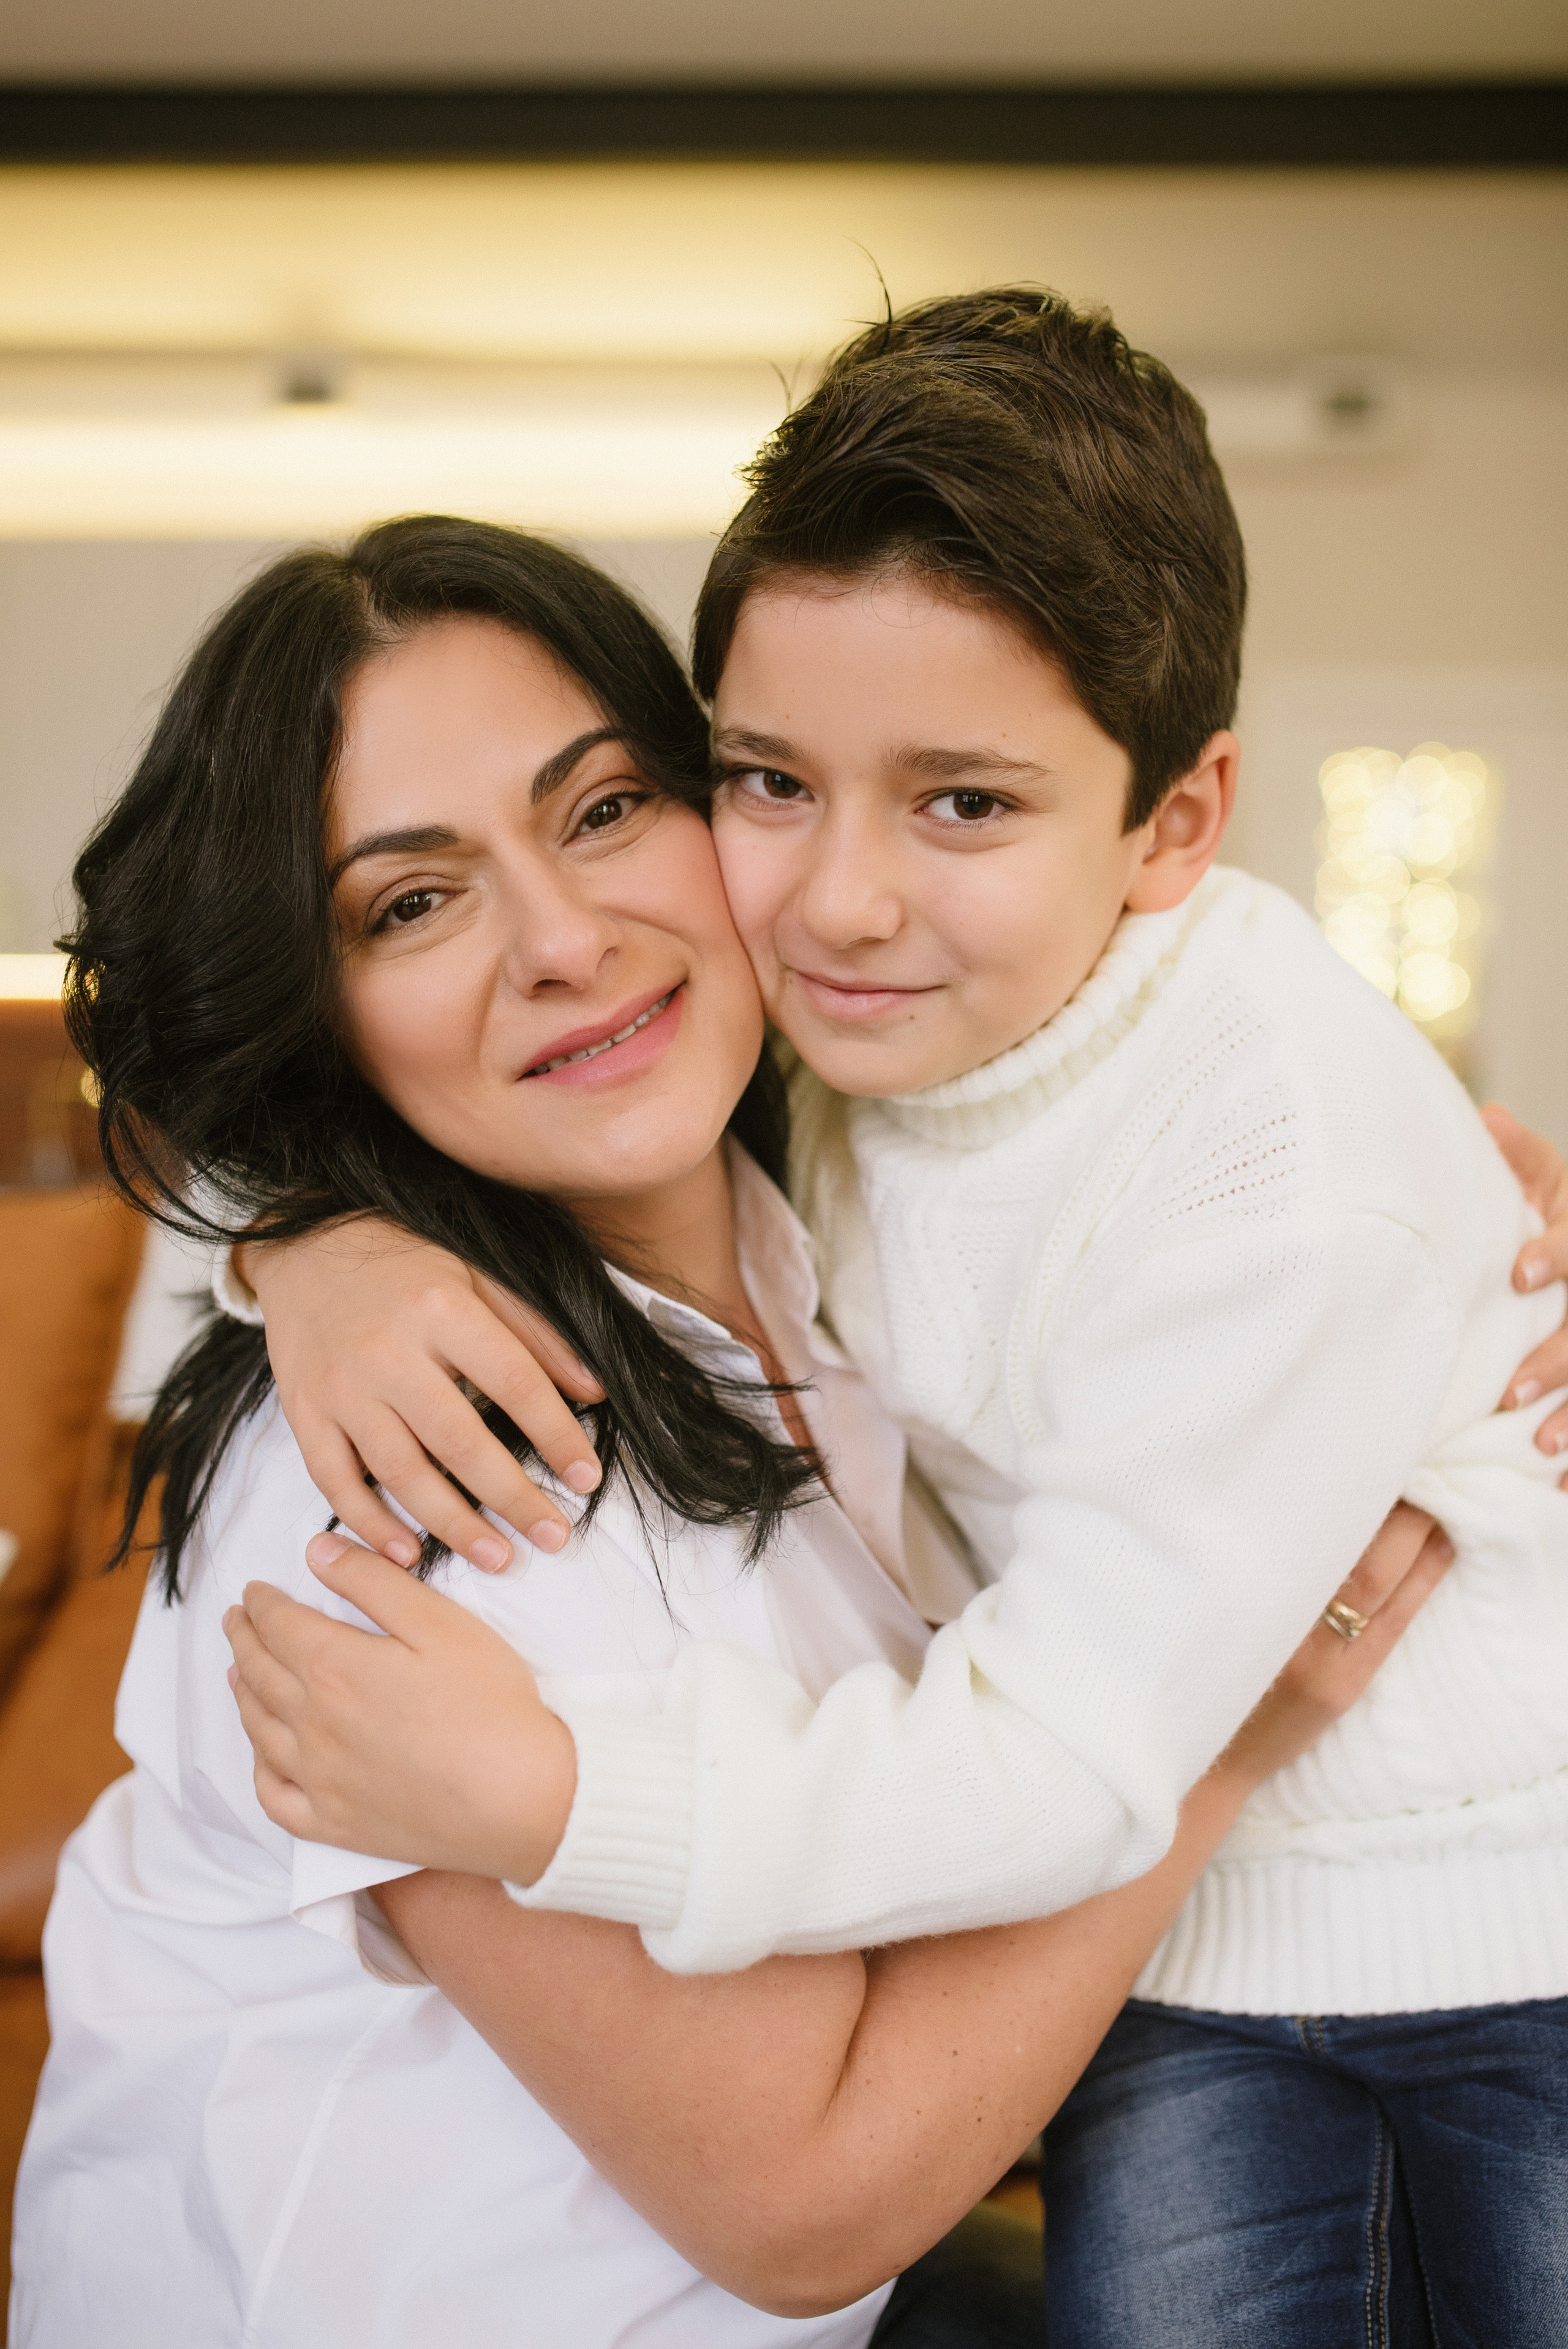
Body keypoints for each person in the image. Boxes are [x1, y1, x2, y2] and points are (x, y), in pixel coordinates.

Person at [223, 295, 1568, 2345]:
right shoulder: (836, 1042)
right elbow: (253, 1049)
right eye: (769, 777)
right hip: (1157, 1964)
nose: (840, 898)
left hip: (1503, 1938)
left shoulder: (1279, 1169)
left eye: (964, 804)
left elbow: (1053, 1759)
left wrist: (558, 1802)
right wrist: (306, 1249)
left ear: (1178, 821)